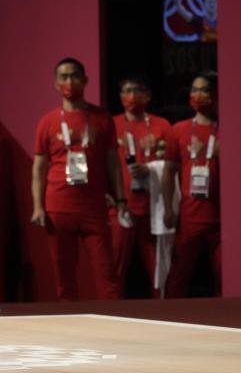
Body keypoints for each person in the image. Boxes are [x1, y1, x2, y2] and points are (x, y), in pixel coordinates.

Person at [31, 58, 128, 301]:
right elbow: (39, 168)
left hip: (94, 207)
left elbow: (113, 163)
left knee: (107, 274)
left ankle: (116, 325)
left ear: (85, 80)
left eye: (74, 76)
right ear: (55, 84)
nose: (69, 81)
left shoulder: (102, 118)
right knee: (65, 276)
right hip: (59, 207)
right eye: (63, 77)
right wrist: (38, 207)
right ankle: (68, 325)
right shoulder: (48, 121)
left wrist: (120, 198)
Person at [111, 75, 175, 297]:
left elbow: (172, 165)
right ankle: (110, 313)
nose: (131, 96)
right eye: (126, 91)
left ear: (147, 95)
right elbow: (102, 164)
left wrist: (150, 168)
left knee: (158, 267)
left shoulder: (162, 126)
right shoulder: (112, 125)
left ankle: (162, 312)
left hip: (153, 206)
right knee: (115, 266)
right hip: (123, 207)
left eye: (136, 90)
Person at [164, 71, 221, 297]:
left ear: (216, 95)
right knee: (179, 272)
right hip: (190, 214)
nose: (197, 95)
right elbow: (169, 171)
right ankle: (170, 316)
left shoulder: (227, 128)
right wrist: (169, 207)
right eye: (194, 90)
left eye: (204, 90)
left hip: (221, 216)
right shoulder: (178, 129)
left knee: (223, 273)